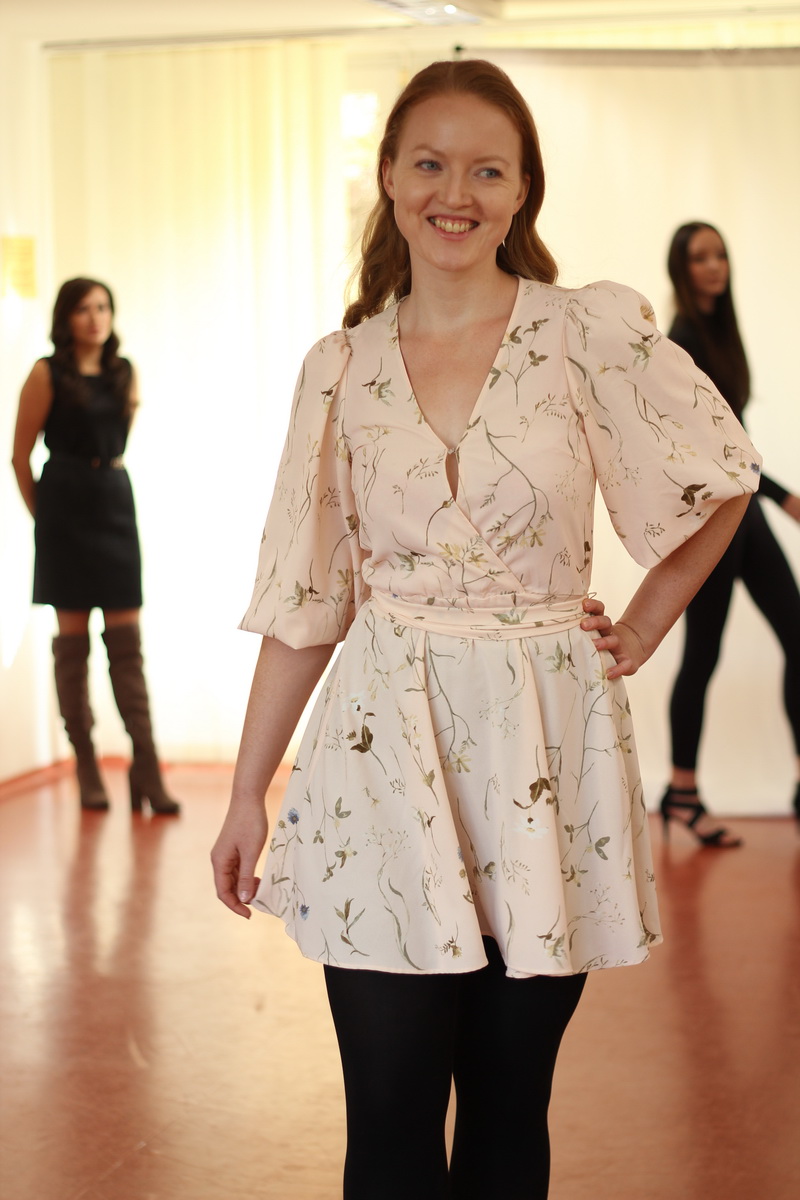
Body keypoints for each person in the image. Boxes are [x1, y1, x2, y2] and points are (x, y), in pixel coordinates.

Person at [211, 61, 759, 1199]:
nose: (453, 193)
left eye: (485, 171)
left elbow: (722, 474)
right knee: (388, 1122)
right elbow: (309, 598)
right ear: (388, 177)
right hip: (378, 758)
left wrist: (646, 620)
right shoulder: (339, 368)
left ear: (521, 192)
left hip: (542, 755)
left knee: (510, 1113)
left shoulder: (584, 331)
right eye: (429, 163)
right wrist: (245, 792)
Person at [12, 277, 180, 815]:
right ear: (66, 317)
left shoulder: (123, 371)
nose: (95, 317)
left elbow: (117, 434)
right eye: (84, 308)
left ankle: (146, 766)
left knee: (127, 644)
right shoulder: (46, 372)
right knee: (73, 645)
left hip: (112, 502)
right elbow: (19, 456)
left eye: (103, 307)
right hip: (63, 506)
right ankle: (86, 764)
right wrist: (46, 520)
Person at [661, 221, 800, 846]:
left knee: (797, 637)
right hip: (716, 515)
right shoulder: (684, 340)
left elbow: (737, 440)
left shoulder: (720, 331)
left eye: (719, 254)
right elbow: (717, 450)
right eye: (700, 257)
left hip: (743, 509)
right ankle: (682, 793)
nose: (714, 265)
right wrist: (784, 496)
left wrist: (771, 498)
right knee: (703, 654)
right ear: (681, 269)